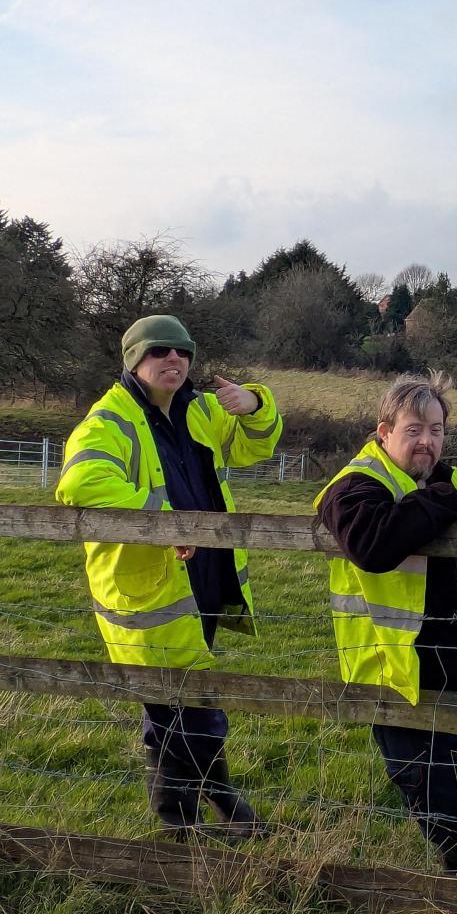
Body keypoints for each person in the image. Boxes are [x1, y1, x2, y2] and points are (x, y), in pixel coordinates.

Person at [55, 314, 284, 838]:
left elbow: (257, 445)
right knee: (180, 705)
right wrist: (160, 524)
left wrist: (255, 403)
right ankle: (205, 814)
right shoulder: (107, 421)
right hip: (147, 589)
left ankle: (187, 824)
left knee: (177, 703)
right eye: (159, 352)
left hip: (199, 578)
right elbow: (82, 482)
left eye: (182, 352)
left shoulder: (201, 410)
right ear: (134, 360)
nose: (173, 360)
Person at [314, 371, 457, 879]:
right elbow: (372, 546)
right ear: (384, 431)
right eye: (414, 430)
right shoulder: (353, 487)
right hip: (397, 668)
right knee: (432, 779)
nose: (428, 442)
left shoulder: (452, 478)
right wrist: (439, 501)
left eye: (437, 430)